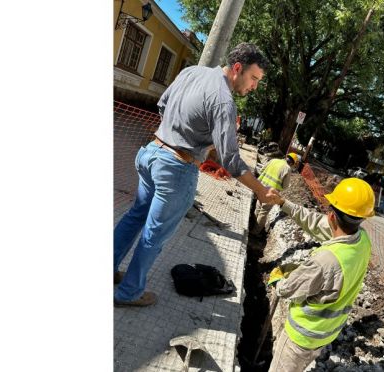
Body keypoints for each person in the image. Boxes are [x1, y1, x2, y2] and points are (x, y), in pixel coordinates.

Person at [113, 43, 278, 307]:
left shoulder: (192, 72)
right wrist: (260, 190)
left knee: (135, 217)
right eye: (254, 78)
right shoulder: (224, 101)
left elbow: (163, 104)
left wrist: (184, 133)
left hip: (151, 153)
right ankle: (128, 293)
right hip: (176, 168)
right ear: (237, 69)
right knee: (153, 236)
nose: (254, 86)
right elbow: (231, 160)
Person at [265, 178, 375, 372]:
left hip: (300, 337)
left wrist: (277, 279)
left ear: (332, 216)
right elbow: (315, 223)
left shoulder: (325, 261)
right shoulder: (362, 241)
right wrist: (283, 203)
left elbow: (288, 289)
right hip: (325, 334)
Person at [250, 152, 300, 237]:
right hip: (271, 193)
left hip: (260, 187)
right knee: (263, 212)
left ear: (286, 157)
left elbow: (262, 170)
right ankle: (255, 232)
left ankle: (251, 224)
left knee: (258, 207)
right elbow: (285, 186)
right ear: (292, 163)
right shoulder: (287, 168)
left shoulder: (273, 160)